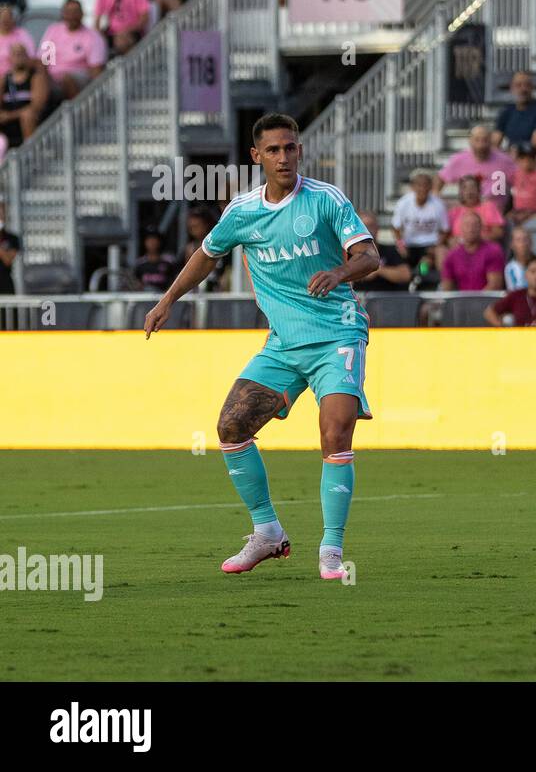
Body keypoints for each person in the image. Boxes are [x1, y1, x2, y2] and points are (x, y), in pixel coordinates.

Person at [142, 113, 382, 582]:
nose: (283, 157)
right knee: (231, 425)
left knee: (335, 432)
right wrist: (168, 299)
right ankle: (268, 532)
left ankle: (331, 550)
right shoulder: (242, 212)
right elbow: (207, 256)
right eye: (273, 150)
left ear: (300, 151)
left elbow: (370, 255)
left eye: (290, 148)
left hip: (338, 334)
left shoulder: (326, 200)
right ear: (257, 157)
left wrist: (339, 272)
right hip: (284, 344)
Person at [435, 125, 516, 213]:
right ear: (470, 141)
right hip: (469, 214)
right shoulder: (459, 159)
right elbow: (440, 179)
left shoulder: (504, 160)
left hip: (497, 214)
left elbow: (521, 180)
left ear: (490, 141)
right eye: (477, 140)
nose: (481, 145)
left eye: (485, 140)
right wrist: (436, 200)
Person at [40, 0, 107, 100]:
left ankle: (79, 110)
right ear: (63, 14)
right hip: (53, 76)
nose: (72, 16)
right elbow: (44, 60)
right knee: (38, 77)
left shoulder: (93, 36)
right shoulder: (53, 30)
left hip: (79, 76)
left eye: (75, 12)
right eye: (68, 12)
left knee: (67, 79)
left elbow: (96, 69)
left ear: (82, 14)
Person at [390, 168, 448, 273]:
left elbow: (444, 230)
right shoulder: (403, 203)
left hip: (430, 244)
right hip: (409, 243)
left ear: (430, 186)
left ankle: (421, 276)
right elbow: (396, 227)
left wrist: (435, 246)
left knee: (425, 264)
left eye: (426, 184)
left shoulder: (438, 204)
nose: (422, 188)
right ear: (412, 187)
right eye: (419, 185)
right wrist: (401, 245)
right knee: (398, 256)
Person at [440, 212, 505, 292]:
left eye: (475, 225)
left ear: (481, 228)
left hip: (488, 302)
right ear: (461, 228)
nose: (471, 229)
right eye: (467, 225)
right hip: (460, 302)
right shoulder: (451, 256)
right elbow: (447, 288)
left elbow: (495, 285)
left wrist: (474, 302)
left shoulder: (493, 251)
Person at [0, 43, 48, 148]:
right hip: (8, 119)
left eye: (21, 54)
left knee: (28, 115)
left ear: (27, 56)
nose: (18, 57)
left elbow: (37, 106)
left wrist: (10, 115)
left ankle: (30, 152)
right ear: (10, 58)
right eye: (15, 54)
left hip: (29, 120)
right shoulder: (4, 79)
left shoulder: (36, 77)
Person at [493, 71, 536, 152]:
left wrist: (514, 149)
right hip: (510, 156)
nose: (523, 89)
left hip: (532, 158)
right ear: (512, 88)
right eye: (518, 85)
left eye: (527, 85)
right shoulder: (506, 111)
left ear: (532, 87)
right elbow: (494, 142)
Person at [448, 175, 506, 243]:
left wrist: (475, 240)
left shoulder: (488, 207)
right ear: (460, 192)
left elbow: (498, 233)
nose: (469, 192)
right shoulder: (454, 212)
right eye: (465, 188)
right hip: (459, 249)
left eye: (472, 188)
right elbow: (447, 236)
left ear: (479, 191)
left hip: (483, 247)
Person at [507, 144, 536, 226]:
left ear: (534, 160)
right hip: (517, 212)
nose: (526, 161)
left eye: (530, 158)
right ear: (518, 160)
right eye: (523, 158)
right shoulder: (514, 175)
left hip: (535, 213)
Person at [503, 227, 536, 292]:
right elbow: (512, 292)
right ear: (512, 245)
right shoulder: (509, 268)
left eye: (525, 239)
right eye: (518, 240)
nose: (523, 244)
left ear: (531, 242)